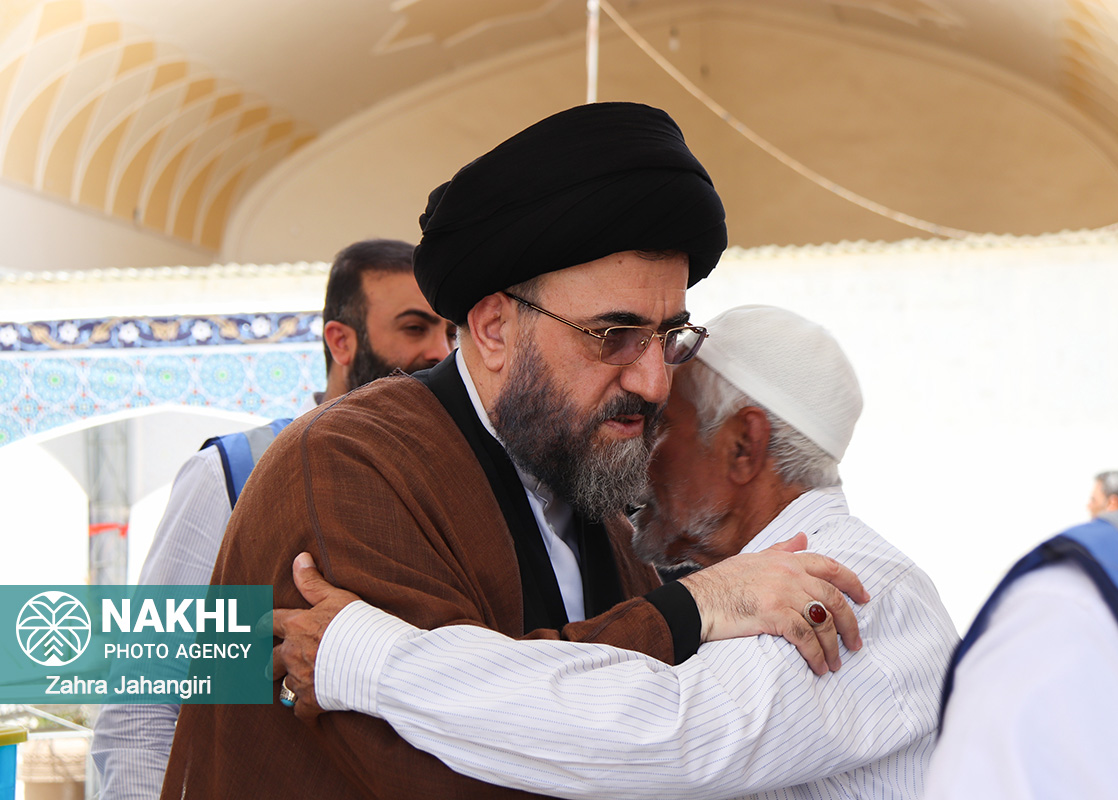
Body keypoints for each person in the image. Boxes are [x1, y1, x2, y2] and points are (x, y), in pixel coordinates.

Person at [160, 103, 868, 799]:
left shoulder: (588, 485)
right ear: (494, 329)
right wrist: (686, 612)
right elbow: (453, 769)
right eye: (614, 335)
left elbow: (650, 738)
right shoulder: (347, 463)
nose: (655, 382)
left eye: (668, 336)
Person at [271, 305, 960, 799]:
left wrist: (366, 656)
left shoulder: (852, 586)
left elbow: (657, 733)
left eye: (660, 426)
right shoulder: (280, 464)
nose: (634, 450)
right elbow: (209, 655)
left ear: (744, 446)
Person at [89, 238, 455, 800]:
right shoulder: (237, 474)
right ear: (341, 341)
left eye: (449, 333)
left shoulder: (456, 485)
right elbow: (144, 704)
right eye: (414, 328)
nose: (440, 352)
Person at [928, 474, 1118, 799]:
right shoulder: (1066, 616)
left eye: (1093, 500)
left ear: (1112, 504)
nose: (1088, 506)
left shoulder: (1074, 614)